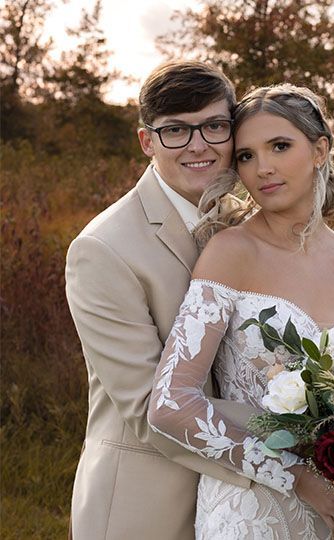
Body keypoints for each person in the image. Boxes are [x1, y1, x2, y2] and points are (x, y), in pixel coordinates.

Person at [148, 84, 334, 539]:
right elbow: (170, 405)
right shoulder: (230, 252)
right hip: (251, 509)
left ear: (320, 150)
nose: (263, 169)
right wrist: (293, 477)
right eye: (246, 156)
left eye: (280, 146)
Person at [65, 61, 256, 540]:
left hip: (245, 510)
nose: (198, 145)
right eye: (175, 130)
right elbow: (152, 407)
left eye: (214, 125)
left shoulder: (250, 225)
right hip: (144, 508)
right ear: (146, 141)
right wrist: (304, 430)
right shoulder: (103, 250)